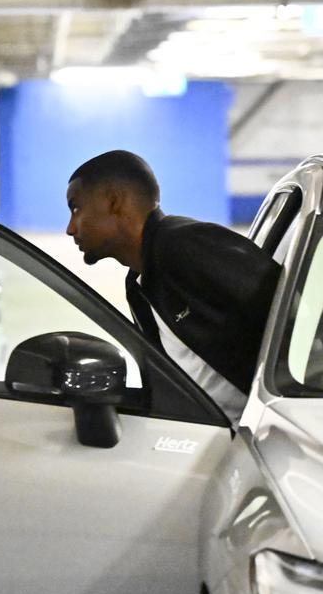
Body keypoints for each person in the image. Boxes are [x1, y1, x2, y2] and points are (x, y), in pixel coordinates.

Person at [64, 150, 279, 426]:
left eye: (75, 208)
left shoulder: (185, 245)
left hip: (275, 438)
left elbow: (293, 316)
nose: (70, 228)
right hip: (223, 440)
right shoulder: (138, 284)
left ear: (114, 201)